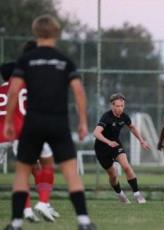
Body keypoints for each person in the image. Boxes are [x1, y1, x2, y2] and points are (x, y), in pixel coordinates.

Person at [3, 15, 95, 230]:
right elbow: (79, 91)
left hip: (32, 123)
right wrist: (83, 122)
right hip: (58, 123)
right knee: (71, 172)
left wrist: (8, 121)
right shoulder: (64, 60)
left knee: (22, 173)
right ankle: (83, 221)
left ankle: (16, 223)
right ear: (56, 33)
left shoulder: (26, 61)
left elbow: (14, 91)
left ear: (36, 33)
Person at [0, 42, 59, 223]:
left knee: (31, 170)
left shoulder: (5, 88)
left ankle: (28, 209)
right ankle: (40, 203)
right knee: (38, 168)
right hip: (22, 132)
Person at [93, 93, 149, 204]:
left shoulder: (124, 116)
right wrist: (108, 142)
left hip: (116, 145)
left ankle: (137, 194)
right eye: (117, 106)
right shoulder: (106, 117)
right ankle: (120, 194)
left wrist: (141, 140)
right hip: (102, 148)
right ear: (112, 106)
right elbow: (96, 133)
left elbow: (132, 128)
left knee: (126, 167)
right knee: (113, 175)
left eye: (122, 106)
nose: (120, 108)